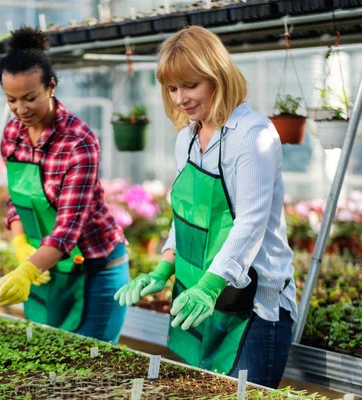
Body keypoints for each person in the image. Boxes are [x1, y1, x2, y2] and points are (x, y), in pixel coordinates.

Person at [114, 26, 298, 388]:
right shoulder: (187, 137)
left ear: (218, 76)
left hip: (254, 308)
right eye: (171, 88)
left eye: (190, 85)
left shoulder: (253, 135)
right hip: (201, 299)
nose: (180, 98)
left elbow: (250, 223)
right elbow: (185, 216)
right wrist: (162, 270)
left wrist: (210, 286)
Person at [0, 27, 129, 344]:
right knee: (48, 357)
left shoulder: (77, 141)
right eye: (11, 100)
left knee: (90, 364)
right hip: (49, 266)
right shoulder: (14, 134)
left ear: (51, 86)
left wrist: (27, 270)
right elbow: (18, 199)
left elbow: (69, 226)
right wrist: (19, 244)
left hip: (95, 266)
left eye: (30, 98)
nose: (20, 109)